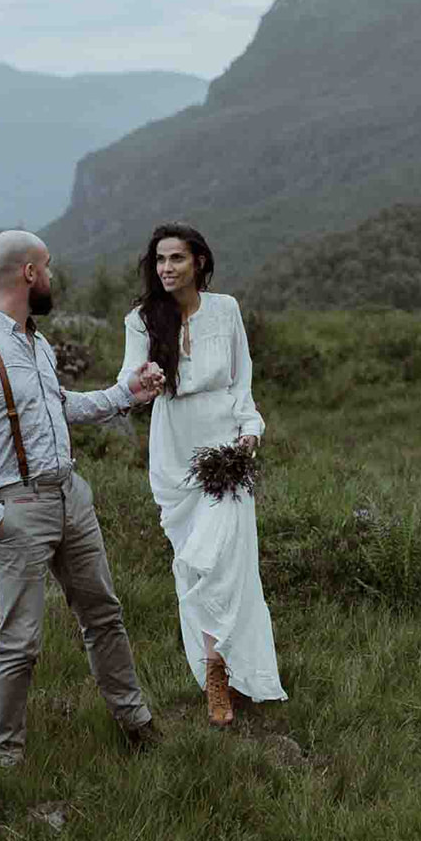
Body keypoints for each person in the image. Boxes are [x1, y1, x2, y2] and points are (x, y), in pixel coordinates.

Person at [0, 229, 165, 766]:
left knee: (105, 614)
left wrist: (125, 394)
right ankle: (3, 763)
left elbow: (61, 408)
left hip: (71, 496)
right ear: (29, 274)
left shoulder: (36, 343)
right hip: (15, 509)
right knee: (20, 643)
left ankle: (136, 723)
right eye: (49, 268)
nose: (54, 277)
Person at [119, 223, 287, 727]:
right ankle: (215, 666)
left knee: (228, 561)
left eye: (176, 259)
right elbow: (128, 380)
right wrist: (142, 380)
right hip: (174, 448)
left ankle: (221, 674)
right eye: (160, 261)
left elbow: (242, 382)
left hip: (224, 446)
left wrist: (249, 433)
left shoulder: (226, 310)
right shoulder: (142, 319)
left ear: (199, 262)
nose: (166, 268)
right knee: (193, 566)